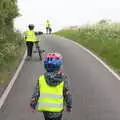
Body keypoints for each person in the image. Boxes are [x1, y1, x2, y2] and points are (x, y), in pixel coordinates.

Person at [30, 52, 72, 120]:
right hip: (57, 109)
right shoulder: (63, 79)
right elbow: (67, 93)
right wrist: (69, 105)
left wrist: (33, 104)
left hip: (45, 109)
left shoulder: (41, 78)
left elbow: (36, 93)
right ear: (59, 66)